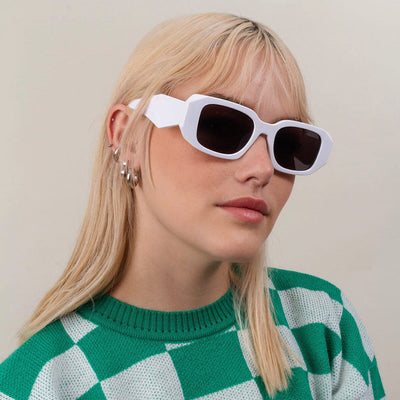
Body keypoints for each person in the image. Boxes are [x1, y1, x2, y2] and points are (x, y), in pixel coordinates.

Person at [0, 13, 385, 400]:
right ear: (127, 137)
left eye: (289, 143)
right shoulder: (41, 383)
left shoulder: (324, 328)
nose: (263, 168)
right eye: (221, 126)